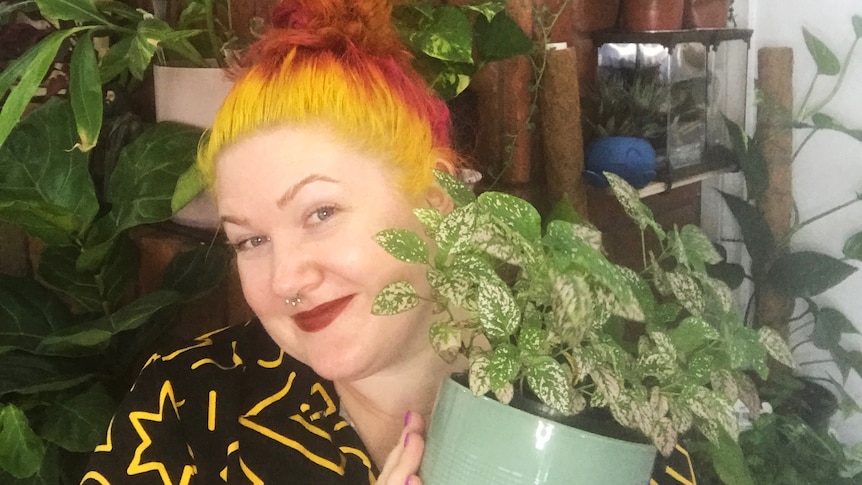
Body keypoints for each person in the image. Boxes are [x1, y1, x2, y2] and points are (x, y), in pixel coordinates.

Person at [80, 0, 697, 483]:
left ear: (437, 204)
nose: (286, 278)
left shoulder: (600, 423)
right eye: (249, 241)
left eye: (320, 212)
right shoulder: (189, 405)